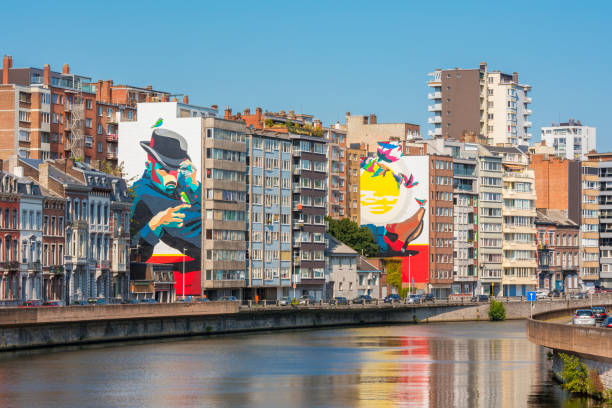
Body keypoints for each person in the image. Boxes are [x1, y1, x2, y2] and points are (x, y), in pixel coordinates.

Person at [130, 128, 202, 293]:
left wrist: (195, 186)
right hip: (167, 275)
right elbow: (132, 251)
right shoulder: (141, 195)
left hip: (197, 269)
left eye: (176, 170)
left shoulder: (181, 187)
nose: (171, 177)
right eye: (164, 170)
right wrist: (154, 226)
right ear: (149, 166)